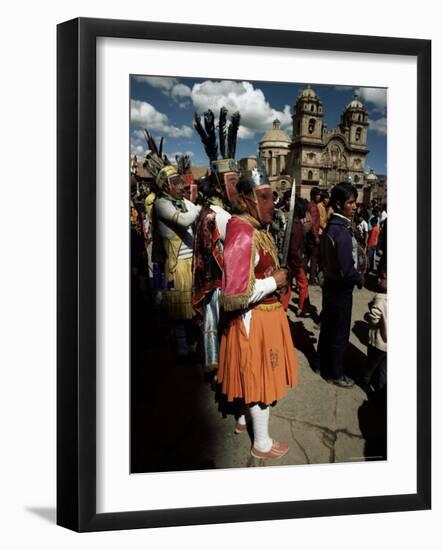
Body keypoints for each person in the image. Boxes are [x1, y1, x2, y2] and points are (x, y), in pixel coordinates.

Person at [216, 165, 298, 459]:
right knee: (259, 379)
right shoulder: (242, 233)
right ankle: (261, 443)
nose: (271, 204)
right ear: (247, 199)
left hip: (265, 313)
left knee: (248, 372)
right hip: (255, 317)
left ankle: (242, 420)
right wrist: (272, 282)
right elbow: (237, 294)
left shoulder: (256, 228)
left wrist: (272, 275)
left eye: (271, 197)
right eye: (264, 197)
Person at [143, 131, 201, 362]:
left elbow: (189, 207)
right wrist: (195, 207)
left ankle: (184, 342)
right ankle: (181, 350)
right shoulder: (160, 204)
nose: (181, 186)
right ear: (165, 187)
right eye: (175, 183)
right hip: (175, 265)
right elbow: (186, 219)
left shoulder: (177, 201)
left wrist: (189, 201)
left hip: (188, 264)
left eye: (181, 181)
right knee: (178, 312)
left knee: (187, 309)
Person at [192, 107, 240, 375]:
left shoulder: (206, 210)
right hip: (220, 280)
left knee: (211, 319)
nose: (235, 189)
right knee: (219, 322)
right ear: (222, 186)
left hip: (208, 279)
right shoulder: (221, 215)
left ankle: (212, 358)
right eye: (231, 184)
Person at [318, 181, 364, 388]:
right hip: (341, 289)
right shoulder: (342, 231)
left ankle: (321, 363)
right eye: (351, 202)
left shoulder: (332, 227)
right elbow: (347, 269)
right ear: (338, 205)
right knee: (340, 332)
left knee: (327, 328)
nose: (355, 206)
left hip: (330, 285)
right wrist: (359, 278)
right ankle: (336, 373)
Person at [362, 268, 387, 393]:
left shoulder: (381, 300)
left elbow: (373, 319)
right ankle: (380, 390)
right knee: (383, 369)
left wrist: (366, 316)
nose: (378, 279)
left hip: (377, 343)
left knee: (370, 365)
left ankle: (365, 384)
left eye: (382, 278)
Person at [288, 197, 311, 317]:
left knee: (287, 286)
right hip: (296, 261)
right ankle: (302, 308)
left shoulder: (293, 223)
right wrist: (299, 263)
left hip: (291, 261)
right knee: (303, 284)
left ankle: (284, 307)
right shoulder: (297, 226)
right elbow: (294, 248)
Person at [306, 187, 321, 285]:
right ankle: (311, 279)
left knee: (306, 257)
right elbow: (313, 223)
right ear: (314, 195)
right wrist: (315, 236)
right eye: (318, 194)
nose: (319, 197)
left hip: (308, 235)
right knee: (314, 258)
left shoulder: (309, 205)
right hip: (312, 236)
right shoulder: (313, 207)